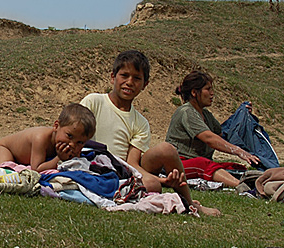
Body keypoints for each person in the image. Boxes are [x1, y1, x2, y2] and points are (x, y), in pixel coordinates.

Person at [79, 50, 221, 216]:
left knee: (166, 152)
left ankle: (189, 203)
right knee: (154, 185)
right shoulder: (93, 101)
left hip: (122, 170)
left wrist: (162, 180)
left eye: (137, 78)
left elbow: (132, 163)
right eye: (124, 75)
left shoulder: (140, 122)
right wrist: (160, 181)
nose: (129, 82)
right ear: (113, 77)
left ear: (145, 84)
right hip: (92, 165)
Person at [165, 71, 260, 187]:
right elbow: (209, 138)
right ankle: (241, 186)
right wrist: (239, 151)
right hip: (178, 163)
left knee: (236, 167)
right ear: (194, 92)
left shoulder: (206, 114)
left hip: (200, 161)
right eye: (208, 89)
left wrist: (243, 117)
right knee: (203, 164)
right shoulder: (186, 112)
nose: (212, 93)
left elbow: (221, 134)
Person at [0, 103, 96, 172]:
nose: (72, 144)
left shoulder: (70, 144)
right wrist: (59, 158)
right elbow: (37, 169)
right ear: (56, 126)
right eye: (69, 136)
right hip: (5, 149)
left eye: (80, 142)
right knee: (6, 171)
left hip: (25, 160)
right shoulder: (40, 138)